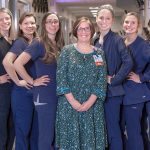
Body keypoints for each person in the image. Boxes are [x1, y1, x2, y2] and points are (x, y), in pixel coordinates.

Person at [14, 12, 64, 150]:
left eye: (55, 21)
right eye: (49, 21)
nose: (53, 24)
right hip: (44, 96)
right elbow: (17, 63)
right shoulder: (39, 42)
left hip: (56, 95)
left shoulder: (58, 44)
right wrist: (32, 81)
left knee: (53, 136)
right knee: (46, 137)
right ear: (43, 24)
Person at [56, 16, 107, 150]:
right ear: (75, 31)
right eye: (80, 28)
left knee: (91, 144)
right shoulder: (66, 51)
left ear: (92, 31)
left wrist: (90, 102)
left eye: (87, 28)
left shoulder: (99, 53)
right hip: (69, 105)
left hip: (93, 106)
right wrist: (73, 102)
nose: (84, 31)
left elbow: (101, 80)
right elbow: (61, 78)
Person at [93, 4, 133, 150]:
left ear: (111, 20)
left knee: (113, 129)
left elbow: (128, 62)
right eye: (101, 18)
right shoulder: (96, 40)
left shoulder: (117, 39)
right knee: (102, 129)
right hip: (98, 93)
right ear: (96, 19)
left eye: (107, 18)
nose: (104, 21)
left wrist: (114, 80)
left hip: (112, 93)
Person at [3, 12, 40, 150]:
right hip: (21, 93)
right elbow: (7, 62)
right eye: (26, 23)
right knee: (23, 132)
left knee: (34, 132)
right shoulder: (20, 42)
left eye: (32, 23)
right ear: (20, 26)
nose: (30, 26)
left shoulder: (35, 42)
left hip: (34, 93)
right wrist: (19, 81)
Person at [122, 12, 150, 150]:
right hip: (122, 94)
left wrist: (142, 77)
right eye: (127, 22)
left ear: (138, 26)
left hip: (136, 95)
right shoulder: (121, 42)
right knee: (130, 131)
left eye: (133, 23)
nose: (129, 25)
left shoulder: (143, 45)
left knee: (134, 133)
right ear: (123, 24)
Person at [0, 8, 15, 150]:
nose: (5, 22)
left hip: (13, 92)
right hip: (1, 93)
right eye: (1, 19)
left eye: (7, 18)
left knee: (12, 129)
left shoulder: (13, 41)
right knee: (2, 133)